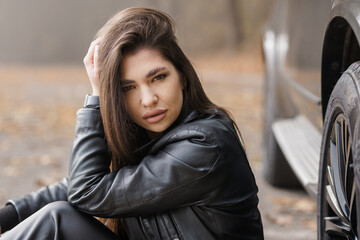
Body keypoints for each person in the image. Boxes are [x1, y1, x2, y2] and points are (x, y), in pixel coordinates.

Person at [0, 7, 264, 239]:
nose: (148, 99)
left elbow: (87, 191)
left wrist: (96, 97)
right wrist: (7, 215)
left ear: (182, 76)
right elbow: (72, 187)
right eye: (128, 88)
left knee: (57, 222)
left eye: (158, 77)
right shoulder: (145, 138)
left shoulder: (206, 146)